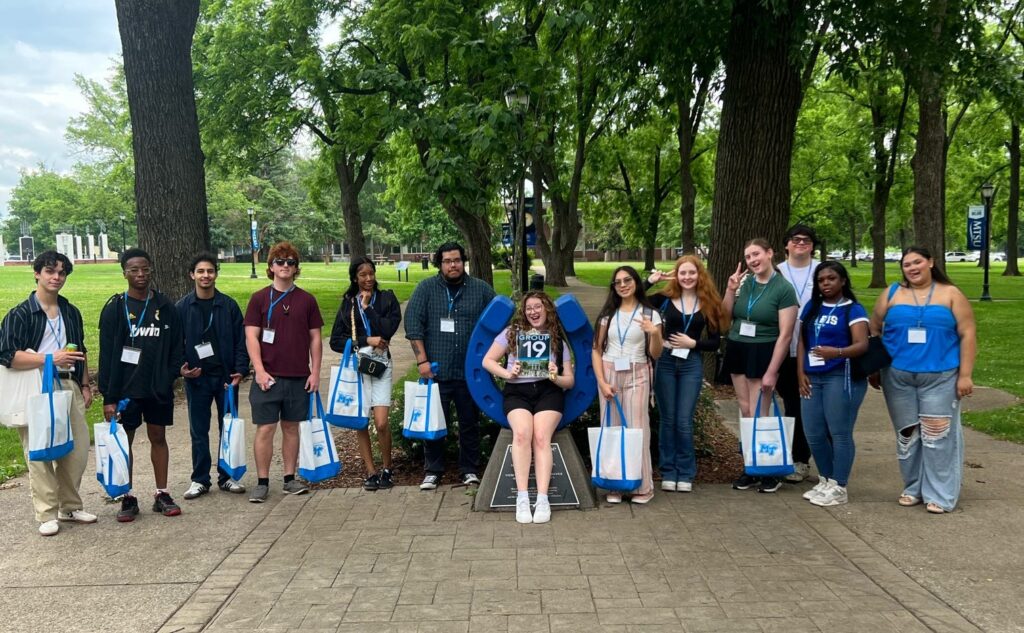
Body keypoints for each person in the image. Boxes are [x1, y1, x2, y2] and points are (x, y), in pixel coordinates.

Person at [870, 247, 976, 514]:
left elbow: (967, 332)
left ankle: (940, 494)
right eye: (907, 264)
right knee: (907, 434)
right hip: (897, 376)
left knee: (937, 434)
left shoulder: (950, 294)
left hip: (940, 376)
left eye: (917, 262)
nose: (912, 268)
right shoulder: (892, 293)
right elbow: (874, 327)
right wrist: (876, 365)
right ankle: (913, 487)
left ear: (931, 262)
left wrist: (965, 375)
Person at [0, 251, 96, 536]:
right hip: (37, 385)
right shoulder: (20, 314)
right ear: (37, 274)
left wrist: (86, 384)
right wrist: (50, 359)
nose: (56, 277)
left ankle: (70, 505)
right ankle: (46, 513)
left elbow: (81, 351)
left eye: (62, 272)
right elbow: (7, 355)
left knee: (76, 450)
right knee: (39, 451)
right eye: (50, 271)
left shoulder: (70, 311)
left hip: (69, 385)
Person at [98, 248, 185, 521]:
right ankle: (127, 495)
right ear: (124, 272)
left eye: (145, 269)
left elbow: (176, 347)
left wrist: (169, 376)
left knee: (158, 437)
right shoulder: (115, 308)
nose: (140, 274)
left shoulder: (165, 306)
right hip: (126, 391)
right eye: (134, 269)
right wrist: (109, 397)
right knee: (127, 442)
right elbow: (106, 354)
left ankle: (162, 493)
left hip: (156, 388)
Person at [405, 241, 496, 490]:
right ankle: (433, 471)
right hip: (436, 371)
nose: (452, 265)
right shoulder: (426, 289)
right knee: (434, 423)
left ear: (463, 261)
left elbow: (499, 323)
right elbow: (413, 325)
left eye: (456, 260)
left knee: (469, 423)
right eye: (447, 261)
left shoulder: (481, 290)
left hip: (470, 373)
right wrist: (421, 361)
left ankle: (469, 470)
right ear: (439, 264)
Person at [482, 291, 575, 524]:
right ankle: (522, 498)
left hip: (548, 392)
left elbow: (570, 381)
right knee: (522, 434)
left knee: (542, 437)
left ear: (548, 310)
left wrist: (555, 376)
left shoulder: (558, 341)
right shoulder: (511, 333)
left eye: (538, 307)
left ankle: (542, 498)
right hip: (517, 393)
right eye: (528, 308)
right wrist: (507, 373)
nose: (533, 312)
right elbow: (487, 360)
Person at [243, 242, 324, 503]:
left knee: (291, 428)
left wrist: (315, 372)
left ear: (296, 268)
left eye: (290, 262)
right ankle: (262, 481)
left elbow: (315, 339)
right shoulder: (258, 299)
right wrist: (259, 370)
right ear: (271, 267)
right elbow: (251, 336)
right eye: (280, 262)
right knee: (265, 428)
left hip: (298, 375)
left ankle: (289, 478)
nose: (285, 266)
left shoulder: (307, 300)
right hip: (268, 377)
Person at [722, 238, 798, 494]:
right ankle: (750, 466)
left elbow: (786, 334)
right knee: (745, 410)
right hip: (738, 347)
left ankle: (768, 469)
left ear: (769, 253)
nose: (752, 261)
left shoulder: (783, 288)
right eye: (748, 257)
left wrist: (772, 371)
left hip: (764, 350)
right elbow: (724, 318)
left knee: (759, 413)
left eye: (756, 255)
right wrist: (730, 290)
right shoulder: (745, 283)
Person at [648, 255, 725, 493]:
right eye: (683, 273)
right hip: (667, 362)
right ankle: (668, 471)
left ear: (699, 275)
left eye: (692, 273)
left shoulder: (708, 302)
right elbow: (633, 298)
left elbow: (714, 343)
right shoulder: (665, 299)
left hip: (691, 363)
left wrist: (693, 344)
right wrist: (651, 280)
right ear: (676, 275)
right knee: (668, 419)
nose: (687, 277)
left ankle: (686, 472)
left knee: (683, 420)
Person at [176, 253, 249, 499]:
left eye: (210, 271)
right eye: (200, 271)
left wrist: (240, 368)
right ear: (192, 275)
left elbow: (241, 340)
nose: (205, 275)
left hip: (227, 379)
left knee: (227, 428)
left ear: (216, 274)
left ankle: (227, 476)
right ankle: (200, 479)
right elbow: (175, 344)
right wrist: (182, 368)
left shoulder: (228, 305)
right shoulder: (183, 307)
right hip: (197, 379)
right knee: (199, 430)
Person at [796, 261, 869, 506]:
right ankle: (825, 479)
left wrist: (835, 352)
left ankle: (839, 485)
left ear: (843, 281)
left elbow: (861, 345)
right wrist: (800, 373)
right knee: (813, 433)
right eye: (821, 280)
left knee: (839, 432)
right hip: (812, 376)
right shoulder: (812, 307)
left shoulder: (852, 309)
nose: (826, 284)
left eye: (831, 279)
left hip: (841, 376)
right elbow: (802, 342)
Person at [329, 256, 402, 491]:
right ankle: (370, 471)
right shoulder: (348, 303)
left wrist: (368, 309)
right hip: (358, 366)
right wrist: (365, 340)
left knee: (381, 422)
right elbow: (336, 341)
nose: (368, 278)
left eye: (371, 273)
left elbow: (388, 329)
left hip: (381, 365)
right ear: (354, 278)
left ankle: (387, 468)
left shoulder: (387, 298)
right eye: (363, 275)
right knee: (361, 422)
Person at [592, 266, 663, 504]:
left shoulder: (650, 314)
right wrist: (601, 381)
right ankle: (615, 484)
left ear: (636, 282)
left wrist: (654, 334)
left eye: (627, 280)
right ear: (613, 287)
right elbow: (596, 349)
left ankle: (642, 486)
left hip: (637, 372)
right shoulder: (607, 315)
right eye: (618, 282)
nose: (623, 285)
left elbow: (656, 353)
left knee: (637, 429)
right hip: (610, 372)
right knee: (611, 428)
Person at [775, 224, 820, 482]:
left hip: (815, 349)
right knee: (792, 405)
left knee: (815, 405)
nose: (801, 243)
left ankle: (816, 458)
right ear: (786, 244)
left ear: (813, 245)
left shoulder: (822, 270)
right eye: (795, 239)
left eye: (806, 240)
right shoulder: (777, 271)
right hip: (784, 349)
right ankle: (797, 458)